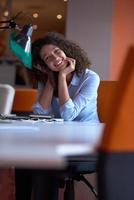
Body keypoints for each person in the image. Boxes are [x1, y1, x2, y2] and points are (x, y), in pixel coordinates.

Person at [15, 31, 100, 200]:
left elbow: (68, 115)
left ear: (65, 50)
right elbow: (40, 113)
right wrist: (50, 78)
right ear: (44, 65)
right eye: (47, 58)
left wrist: (61, 76)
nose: (54, 58)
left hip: (87, 144)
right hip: (59, 140)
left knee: (45, 164)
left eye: (56, 51)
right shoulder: (46, 79)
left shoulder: (89, 78)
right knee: (23, 160)